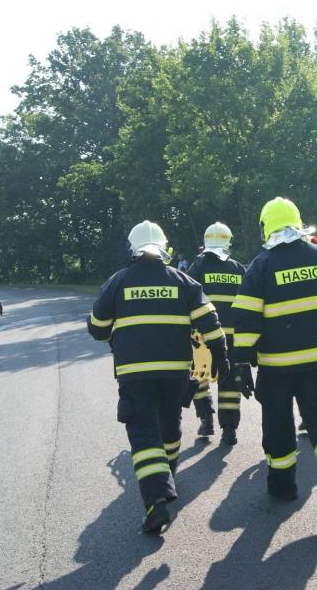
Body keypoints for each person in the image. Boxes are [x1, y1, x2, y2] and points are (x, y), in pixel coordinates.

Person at [87, 220, 228, 533]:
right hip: (176, 373)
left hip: (135, 374)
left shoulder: (118, 281)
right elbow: (210, 323)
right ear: (165, 247)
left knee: (144, 436)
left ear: (132, 248)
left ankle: (155, 503)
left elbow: (97, 329)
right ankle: (168, 477)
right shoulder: (182, 280)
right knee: (169, 426)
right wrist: (223, 359)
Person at [231, 197, 317, 517]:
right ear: (297, 223)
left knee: (278, 423)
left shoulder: (262, 265)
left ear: (267, 226)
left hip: (277, 366)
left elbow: (246, 318)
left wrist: (241, 362)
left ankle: (283, 485)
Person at [186, 222, 251, 445]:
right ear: (228, 242)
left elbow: (187, 301)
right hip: (232, 338)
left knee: (200, 379)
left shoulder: (196, 268)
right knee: (230, 384)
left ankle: (206, 420)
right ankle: (229, 430)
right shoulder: (238, 269)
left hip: (201, 338)